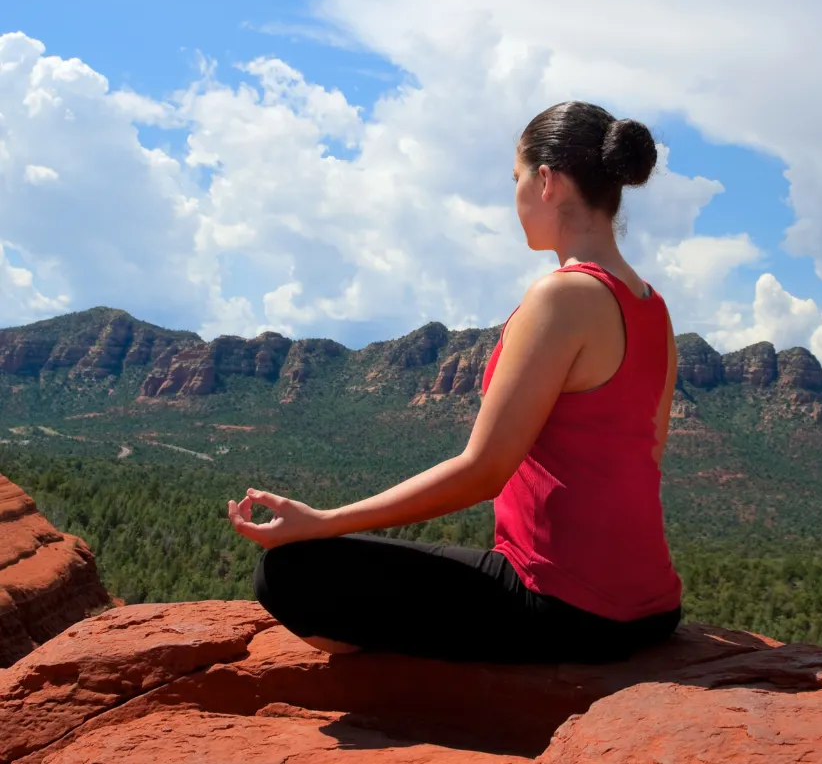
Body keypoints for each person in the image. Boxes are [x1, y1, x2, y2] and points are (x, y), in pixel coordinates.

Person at [228, 100, 683, 663]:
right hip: (654, 609)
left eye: (515, 179)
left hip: (563, 607)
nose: (514, 197)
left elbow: (481, 472)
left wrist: (324, 522)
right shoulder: (652, 307)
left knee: (288, 571)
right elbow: (650, 453)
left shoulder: (562, 296)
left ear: (547, 182)